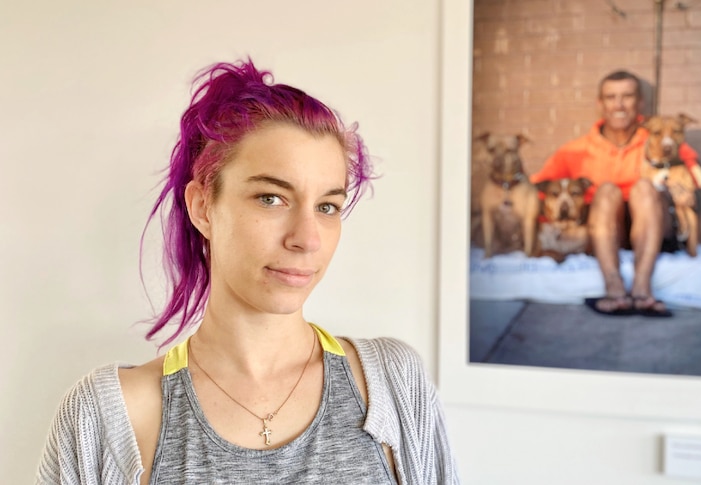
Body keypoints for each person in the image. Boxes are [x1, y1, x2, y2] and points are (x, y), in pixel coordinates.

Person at [36, 59, 459, 484]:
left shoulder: (392, 383)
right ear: (203, 207)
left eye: (327, 206)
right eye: (271, 198)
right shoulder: (109, 417)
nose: (307, 238)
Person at [530, 70, 701, 317]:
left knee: (643, 187)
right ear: (600, 104)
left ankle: (642, 289)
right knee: (606, 190)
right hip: (607, 230)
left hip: (655, 226)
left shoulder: (659, 140)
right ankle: (614, 289)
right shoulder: (574, 151)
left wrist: (697, 198)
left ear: (640, 103)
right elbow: (533, 193)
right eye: (610, 97)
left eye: (627, 96)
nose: (618, 105)